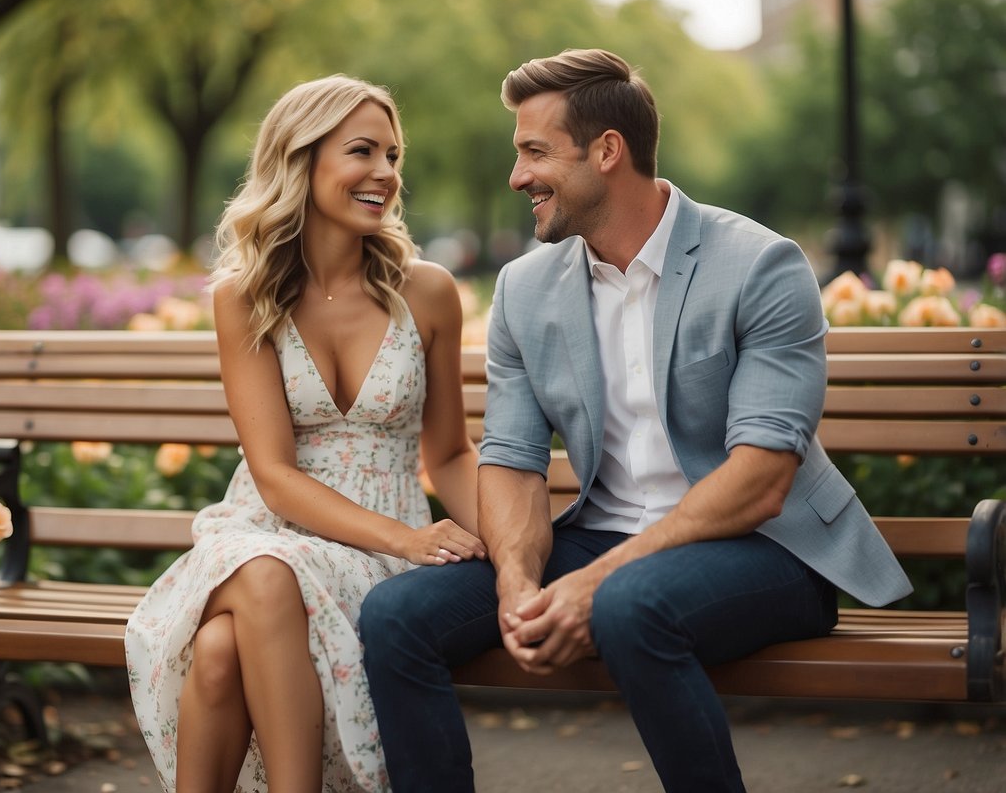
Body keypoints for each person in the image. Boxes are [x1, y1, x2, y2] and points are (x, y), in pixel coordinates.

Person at [359, 48, 912, 793]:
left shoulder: (757, 266)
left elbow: (762, 477)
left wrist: (596, 582)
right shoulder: (525, 289)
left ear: (607, 151)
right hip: (603, 539)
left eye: (534, 152)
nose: (517, 176)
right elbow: (514, 458)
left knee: (629, 603)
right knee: (396, 615)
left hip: (767, 549)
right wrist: (517, 586)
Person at [125, 75, 485, 793]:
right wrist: (406, 539)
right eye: (362, 151)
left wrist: (511, 553)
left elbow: (446, 453)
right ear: (301, 160)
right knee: (264, 574)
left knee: (222, 648)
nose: (384, 173)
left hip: (378, 553)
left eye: (392, 154)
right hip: (270, 525)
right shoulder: (245, 294)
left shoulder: (427, 291)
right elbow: (274, 477)